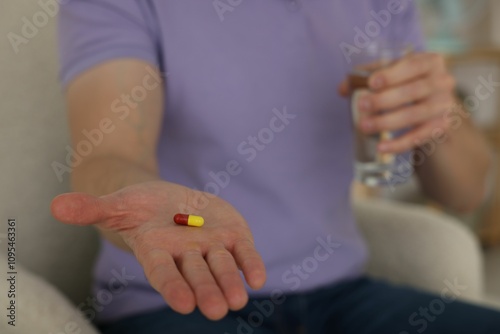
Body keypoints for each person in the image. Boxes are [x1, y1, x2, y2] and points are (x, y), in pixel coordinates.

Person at [50, 0, 500, 333]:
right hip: (174, 301)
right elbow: (110, 155)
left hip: (339, 293)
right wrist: (150, 213)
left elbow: (465, 193)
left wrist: (443, 116)